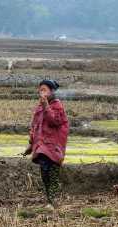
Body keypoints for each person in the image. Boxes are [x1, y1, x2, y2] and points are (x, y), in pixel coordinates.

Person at [23, 80, 69, 209]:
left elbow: (54, 121)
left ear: (52, 91)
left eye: (44, 90)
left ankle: (52, 201)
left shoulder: (57, 106)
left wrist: (46, 106)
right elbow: (35, 126)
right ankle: (50, 200)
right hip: (41, 146)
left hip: (54, 146)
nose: (41, 92)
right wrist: (31, 144)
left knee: (53, 173)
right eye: (40, 90)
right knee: (44, 173)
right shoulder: (39, 108)